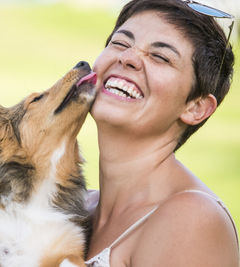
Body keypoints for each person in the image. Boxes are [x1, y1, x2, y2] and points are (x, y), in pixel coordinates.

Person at [85, 0, 239, 266]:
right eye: (121, 43)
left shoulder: (191, 219)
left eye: (160, 57)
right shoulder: (77, 208)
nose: (128, 58)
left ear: (196, 107)